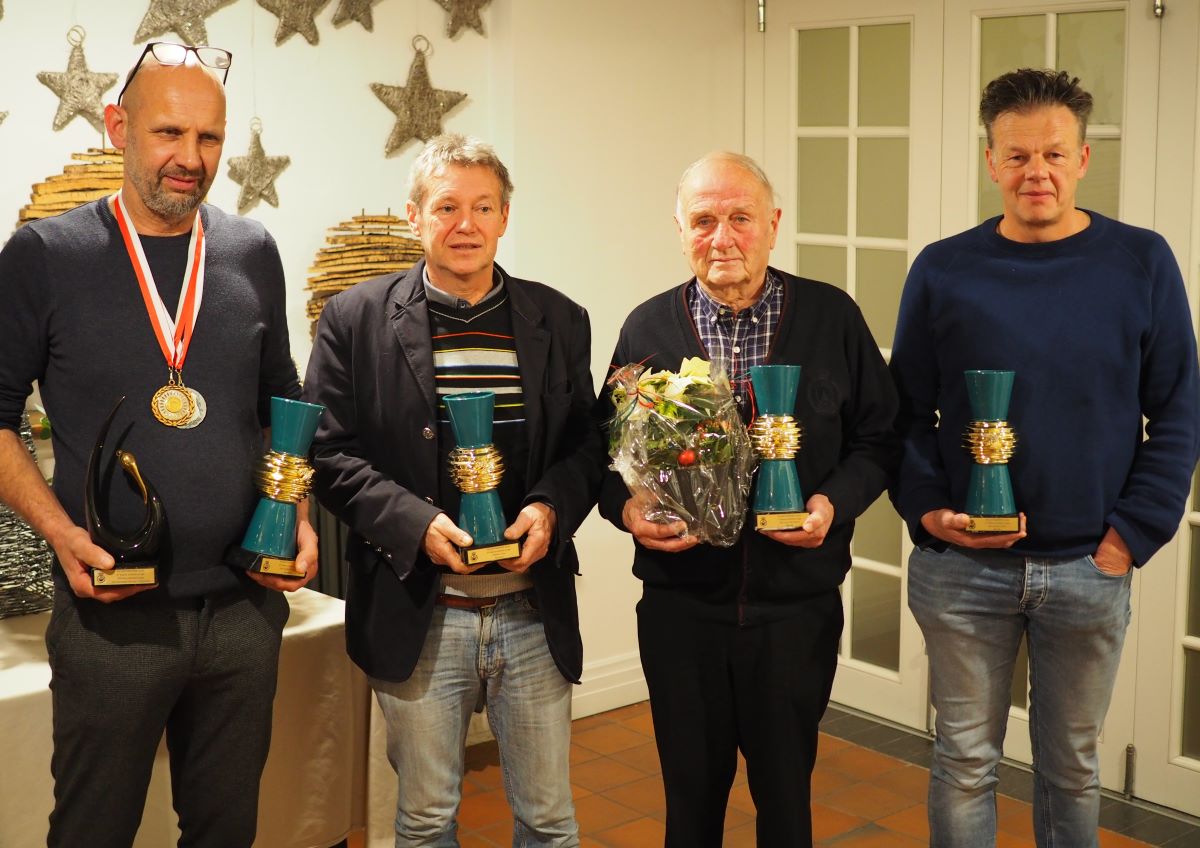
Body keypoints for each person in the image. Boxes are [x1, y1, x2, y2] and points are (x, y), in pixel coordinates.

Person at [0, 43, 317, 848]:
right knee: (93, 831)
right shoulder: (45, 256)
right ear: (118, 127)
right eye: (169, 132)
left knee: (225, 831)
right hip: (114, 616)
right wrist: (60, 533)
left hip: (244, 609)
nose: (191, 157)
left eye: (209, 137)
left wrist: (300, 516)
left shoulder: (252, 250)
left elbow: (281, 401)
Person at [890, 68, 1200, 847]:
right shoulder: (942, 268)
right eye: (1019, 155)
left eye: (1055, 154)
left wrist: (1129, 537)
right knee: (964, 761)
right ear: (991, 162)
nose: (1038, 172)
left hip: (1087, 569)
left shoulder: (1142, 262)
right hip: (963, 570)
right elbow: (904, 414)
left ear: (1083, 159)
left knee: (1072, 768)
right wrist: (927, 512)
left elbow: (1179, 410)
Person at [304, 133, 602, 847]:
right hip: (421, 609)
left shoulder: (560, 319)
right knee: (426, 820)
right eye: (445, 207)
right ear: (415, 216)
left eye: (482, 207)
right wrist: (414, 524)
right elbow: (328, 451)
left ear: (505, 216)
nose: (465, 224)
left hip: (531, 609)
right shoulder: (353, 319)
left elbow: (587, 444)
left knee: (550, 821)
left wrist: (550, 509)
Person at [596, 151, 899, 847]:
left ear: (773, 224)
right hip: (680, 611)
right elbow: (602, 447)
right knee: (689, 804)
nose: (722, 237)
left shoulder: (831, 316)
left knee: (787, 803)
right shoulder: (647, 327)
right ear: (680, 229)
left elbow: (880, 438)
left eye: (741, 218)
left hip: (794, 610)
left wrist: (832, 504)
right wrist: (627, 509)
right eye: (704, 220)